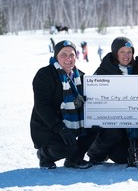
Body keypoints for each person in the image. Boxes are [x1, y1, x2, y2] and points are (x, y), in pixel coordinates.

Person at [30, 40, 98, 169]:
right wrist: (60, 128)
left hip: (70, 124)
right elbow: (42, 106)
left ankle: (75, 159)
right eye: (64, 54)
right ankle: (44, 155)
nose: (68, 58)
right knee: (66, 148)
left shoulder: (81, 76)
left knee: (94, 126)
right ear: (56, 56)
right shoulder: (44, 75)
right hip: (49, 125)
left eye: (72, 55)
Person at [87, 37, 134, 165]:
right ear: (115, 53)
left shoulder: (134, 69)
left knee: (122, 158)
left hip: (127, 121)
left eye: (129, 51)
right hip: (107, 121)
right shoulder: (104, 70)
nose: (126, 55)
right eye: (122, 52)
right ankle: (94, 152)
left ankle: (111, 150)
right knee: (112, 133)